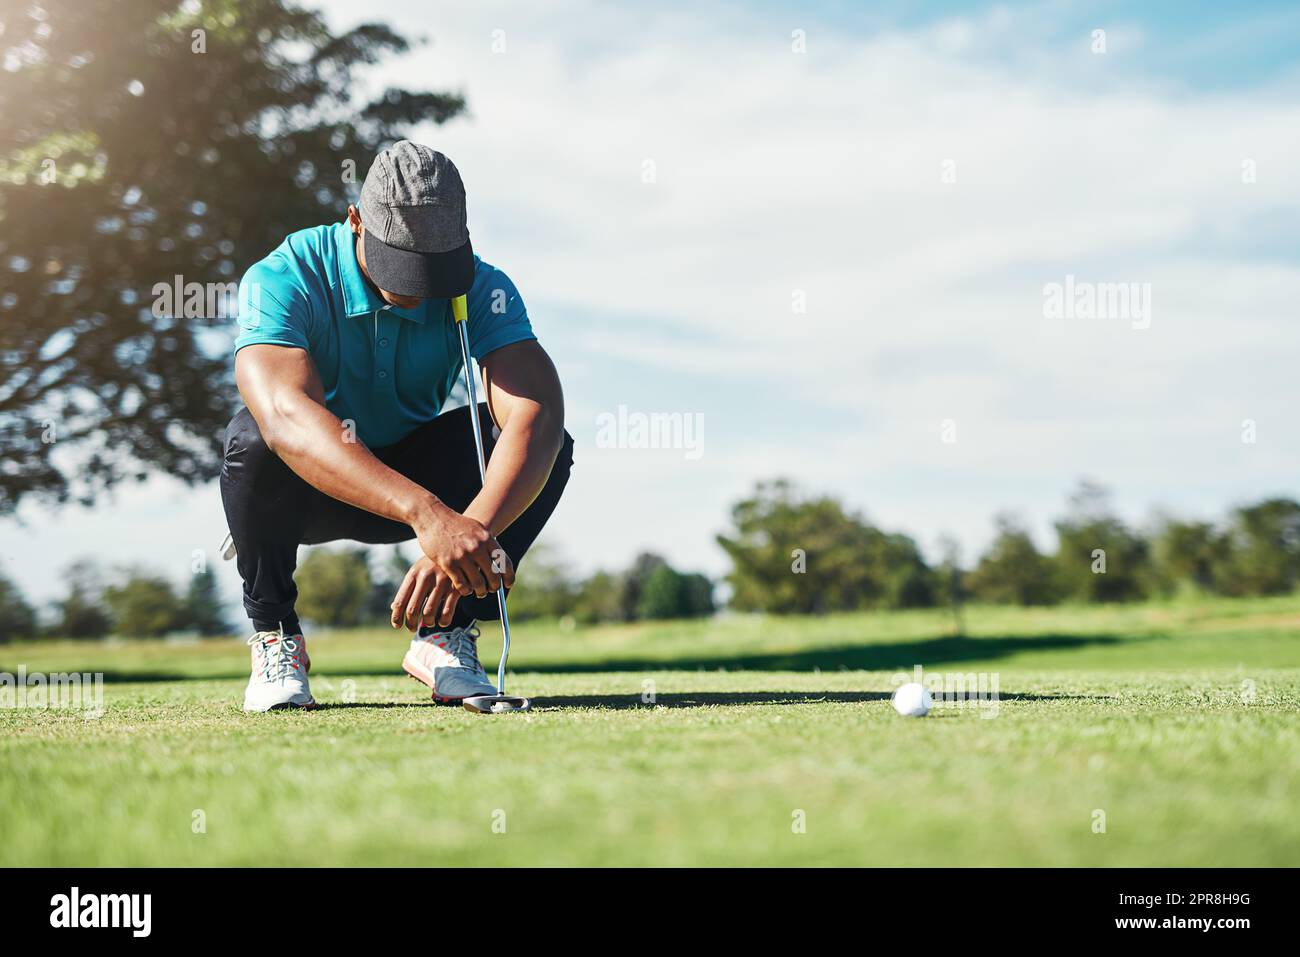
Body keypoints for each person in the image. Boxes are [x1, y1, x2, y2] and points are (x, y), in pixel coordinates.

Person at [221, 141, 572, 711]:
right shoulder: (282, 275)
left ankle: (444, 636)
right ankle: (276, 636)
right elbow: (286, 415)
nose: (416, 292)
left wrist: (466, 535)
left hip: (418, 467)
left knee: (546, 444)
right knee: (254, 438)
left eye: (433, 268)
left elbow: (539, 410)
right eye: (401, 266)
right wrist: (427, 516)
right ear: (355, 221)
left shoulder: (483, 285)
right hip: (311, 488)